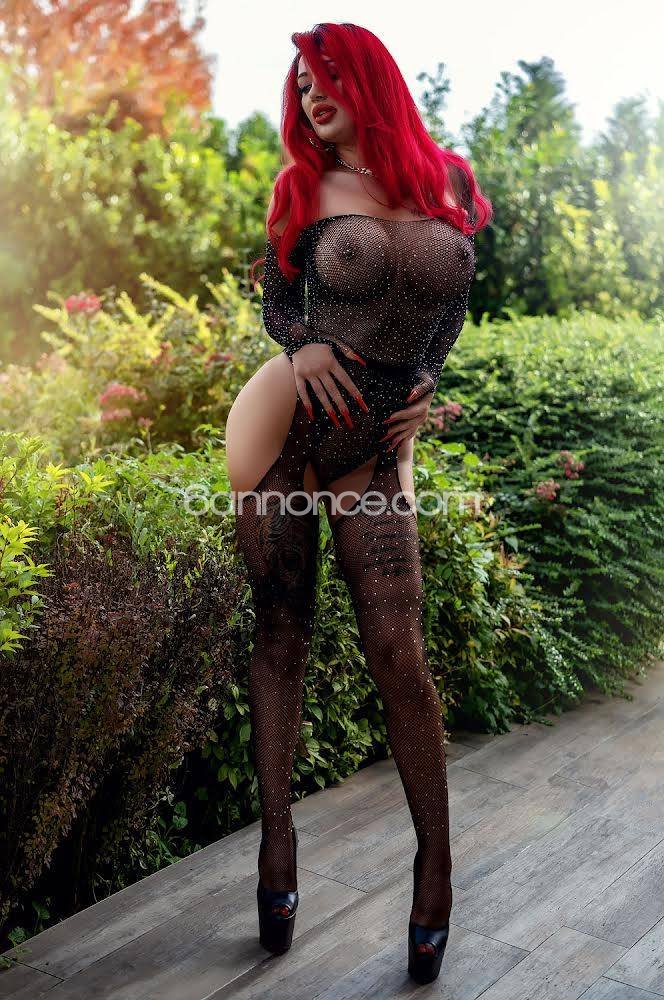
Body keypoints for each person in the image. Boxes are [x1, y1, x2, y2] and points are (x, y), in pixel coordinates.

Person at [225, 21, 492, 984]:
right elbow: (275, 294)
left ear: (367, 76)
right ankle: (278, 842)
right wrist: (298, 344)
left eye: (324, 76)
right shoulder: (304, 188)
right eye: (299, 85)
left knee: (398, 653)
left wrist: (426, 376)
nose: (310, 96)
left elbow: (450, 300)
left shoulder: (447, 181)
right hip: (286, 433)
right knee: (282, 636)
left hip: (376, 450)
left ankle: (436, 865)